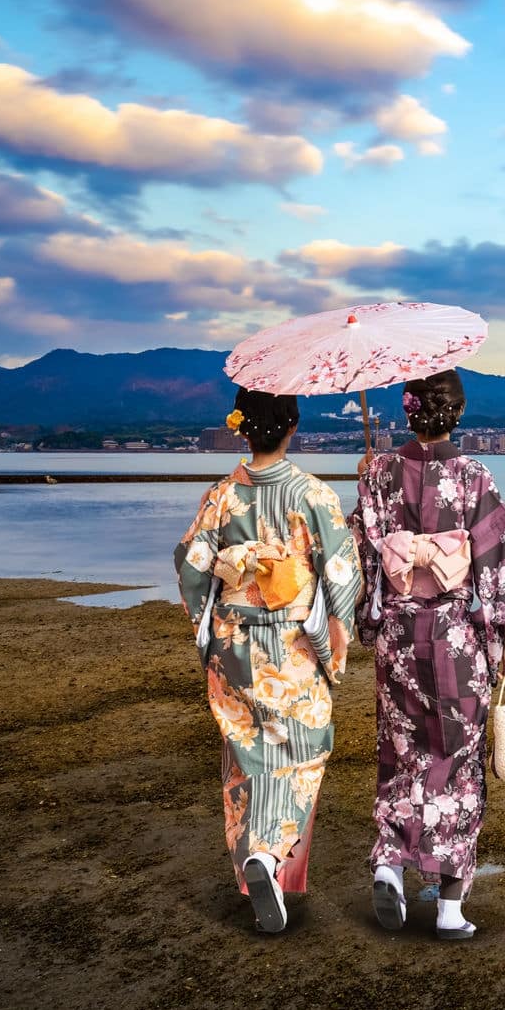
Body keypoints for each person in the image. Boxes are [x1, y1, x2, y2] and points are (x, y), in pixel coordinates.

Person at [349, 368, 505, 939]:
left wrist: (369, 617)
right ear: (456, 413)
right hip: (456, 636)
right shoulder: (474, 474)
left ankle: (389, 863)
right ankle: (451, 906)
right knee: (457, 760)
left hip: (400, 636)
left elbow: (362, 557)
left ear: (408, 411)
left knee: (402, 749)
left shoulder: (378, 472)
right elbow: (500, 561)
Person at [172, 387, 362, 934]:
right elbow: (343, 573)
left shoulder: (221, 495)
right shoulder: (313, 495)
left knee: (246, 752)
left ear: (243, 428)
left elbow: (190, 565)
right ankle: (270, 856)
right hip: (293, 645)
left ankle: (257, 859)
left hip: (234, 644)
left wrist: (207, 630)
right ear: (293, 426)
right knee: (304, 751)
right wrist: (338, 634)